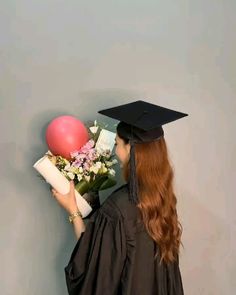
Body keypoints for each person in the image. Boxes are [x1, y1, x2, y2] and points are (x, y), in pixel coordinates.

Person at [52, 100, 188, 295]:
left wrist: (73, 210)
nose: (116, 151)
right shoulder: (163, 199)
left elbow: (94, 269)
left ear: (131, 148)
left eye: (117, 143)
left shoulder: (118, 209)